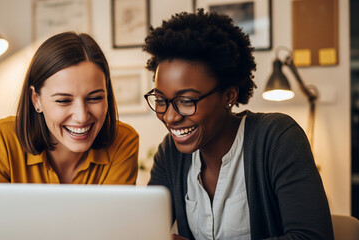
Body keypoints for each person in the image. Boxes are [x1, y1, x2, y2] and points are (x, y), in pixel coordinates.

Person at [143, 9, 333, 240]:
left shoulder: (277, 139)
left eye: (186, 101)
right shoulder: (170, 154)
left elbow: (312, 237)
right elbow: (147, 230)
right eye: (161, 100)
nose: (170, 117)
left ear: (229, 95)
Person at [0, 32, 139, 239]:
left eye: (95, 98)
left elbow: (113, 234)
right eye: (63, 101)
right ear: (36, 99)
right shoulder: (2, 138)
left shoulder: (124, 141)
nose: (82, 116)